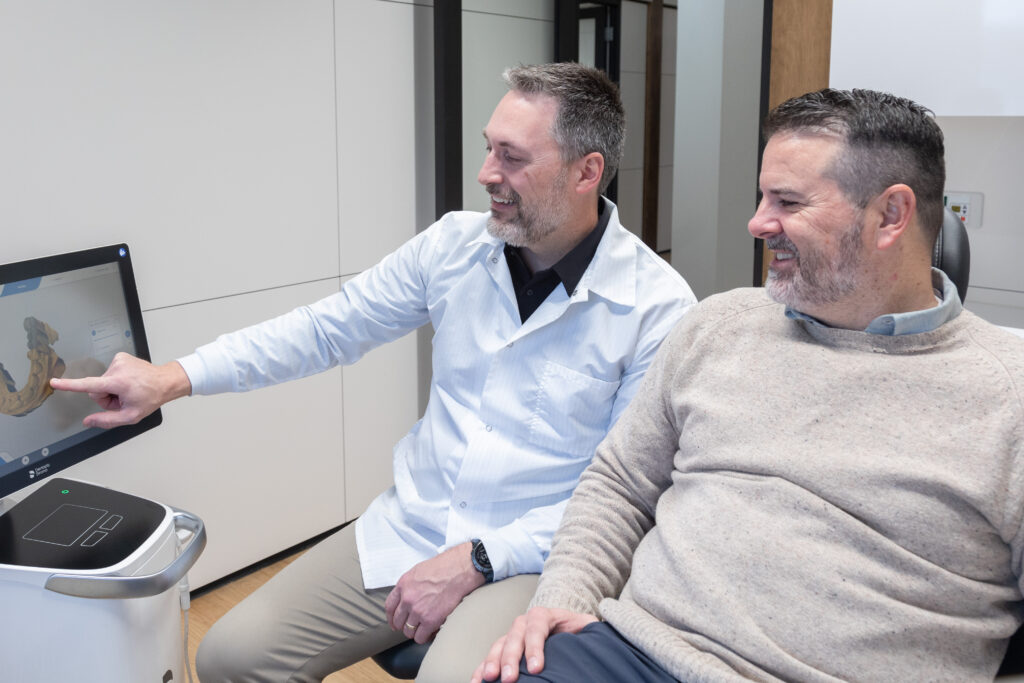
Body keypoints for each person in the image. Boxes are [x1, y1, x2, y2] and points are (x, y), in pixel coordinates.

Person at [51, 62, 696, 683]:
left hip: (533, 554)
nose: (485, 173)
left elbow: (625, 494)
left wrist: (478, 559)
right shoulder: (454, 245)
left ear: (587, 172)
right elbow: (327, 328)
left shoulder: (658, 308)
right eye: (488, 148)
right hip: (413, 525)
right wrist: (173, 377)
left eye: (513, 157)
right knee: (232, 657)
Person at [473, 87, 1024, 683]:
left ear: (890, 215)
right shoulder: (719, 326)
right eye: (763, 195)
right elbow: (621, 484)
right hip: (629, 655)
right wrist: (566, 597)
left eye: (787, 201)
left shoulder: (1006, 394)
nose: (758, 223)